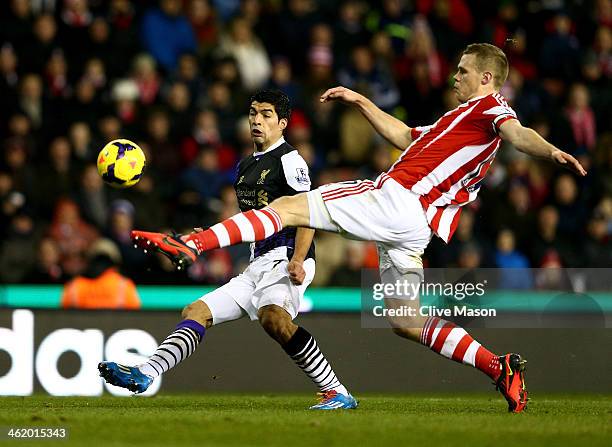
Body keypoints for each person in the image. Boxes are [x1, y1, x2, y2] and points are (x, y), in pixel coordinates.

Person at [131, 44, 587, 413]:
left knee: (291, 207)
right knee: (405, 320)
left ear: (487, 78)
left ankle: (193, 242)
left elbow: (518, 134)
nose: (456, 77)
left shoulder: (491, 107)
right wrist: (362, 101)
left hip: (397, 200)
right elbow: (408, 137)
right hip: (413, 229)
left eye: (464, 71)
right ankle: (498, 367)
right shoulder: (458, 118)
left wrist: (551, 152)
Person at [99, 90, 357, 410]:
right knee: (196, 312)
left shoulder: (290, 161)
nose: (256, 120)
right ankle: (146, 373)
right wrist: (206, 235)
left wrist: (299, 258)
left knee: (273, 318)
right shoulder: (245, 166)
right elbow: (250, 220)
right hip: (258, 262)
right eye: (253, 113)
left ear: (282, 124)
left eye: (265, 115)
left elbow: (308, 213)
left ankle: (337, 391)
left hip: (287, 255)